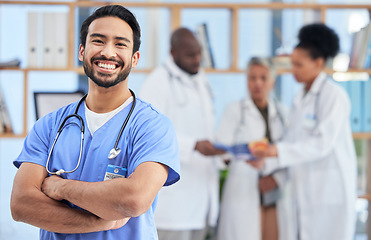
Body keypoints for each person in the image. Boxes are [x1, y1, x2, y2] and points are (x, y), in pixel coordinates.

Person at [10, 5, 180, 240]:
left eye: (120, 44)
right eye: (98, 41)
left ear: (135, 58)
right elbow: (21, 204)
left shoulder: (152, 127)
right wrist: (98, 222)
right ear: (82, 51)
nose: (108, 53)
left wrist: (59, 188)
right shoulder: (50, 126)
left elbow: (134, 199)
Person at [251, 23, 357, 240]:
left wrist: (275, 152)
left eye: (299, 65)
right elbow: (293, 143)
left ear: (318, 63)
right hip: (304, 193)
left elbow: (321, 144)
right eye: (292, 64)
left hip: (329, 192)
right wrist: (269, 164)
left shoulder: (334, 96)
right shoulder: (299, 99)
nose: (293, 70)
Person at [140, 27, 224, 240]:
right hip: (172, 208)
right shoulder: (158, 82)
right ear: (173, 53)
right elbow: (149, 133)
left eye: (199, 53)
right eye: (190, 55)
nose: (197, 60)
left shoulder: (200, 80)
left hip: (201, 201)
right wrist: (193, 145)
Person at [216, 57, 292, 240]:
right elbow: (220, 151)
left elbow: (290, 153)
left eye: (263, 78)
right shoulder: (234, 111)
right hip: (244, 189)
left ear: (272, 82)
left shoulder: (283, 113)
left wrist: (276, 178)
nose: (258, 83)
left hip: (274, 195)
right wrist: (230, 155)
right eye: (252, 78)